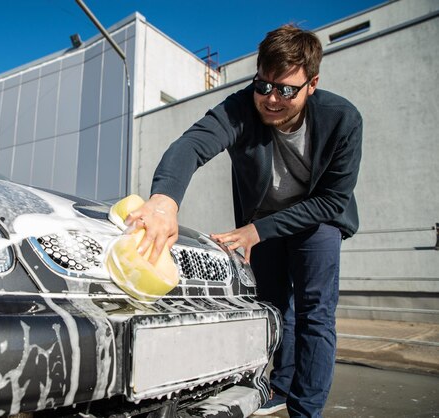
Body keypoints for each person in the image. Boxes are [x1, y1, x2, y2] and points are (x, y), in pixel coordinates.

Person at [125, 24, 362, 418]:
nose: (271, 99)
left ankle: (306, 410)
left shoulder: (343, 120)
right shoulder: (240, 107)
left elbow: (332, 199)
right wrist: (164, 202)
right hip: (264, 219)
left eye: (286, 90)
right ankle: (281, 386)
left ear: (312, 84)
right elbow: (191, 145)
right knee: (273, 307)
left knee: (314, 312)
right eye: (263, 85)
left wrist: (256, 231)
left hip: (317, 219)